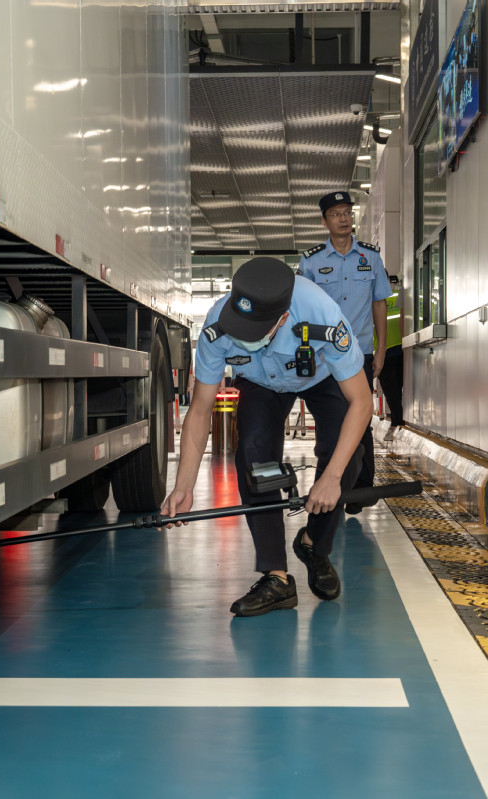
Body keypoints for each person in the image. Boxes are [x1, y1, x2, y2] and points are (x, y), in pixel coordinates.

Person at [161, 257, 372, 617]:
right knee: (254, 454)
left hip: (321, 377)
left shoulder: (322, 314)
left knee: (346, 455)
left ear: (283, 319)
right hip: (260, 384)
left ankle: (313, 545)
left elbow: (362, 402)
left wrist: (331, 478)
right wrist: (183, 484)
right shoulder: (216, 326)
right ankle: (276, 576)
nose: (242, 337)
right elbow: (199, 411)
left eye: (253, 331)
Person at [296, 191, 393, 513]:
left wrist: (381, 349)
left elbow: (379, 303)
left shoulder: (371, 257)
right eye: (336, 214)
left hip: (361, 352)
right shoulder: (311, 261)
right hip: (325, 354)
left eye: (347, 212)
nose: (343, 218)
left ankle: (362, 489)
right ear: (324, 221)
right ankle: (331, 483)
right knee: (330, 422)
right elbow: (301, 309)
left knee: (361, 417)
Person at [377, 274, 406, 441]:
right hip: (401, 349)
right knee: (399, 390)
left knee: (392, 391)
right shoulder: (400, 295)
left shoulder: (372, 301)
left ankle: (397, 421)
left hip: (385, 352)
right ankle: (398, 421)